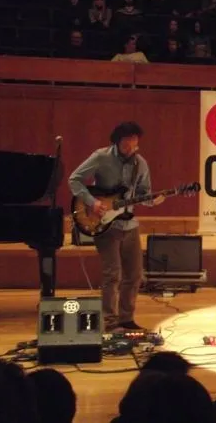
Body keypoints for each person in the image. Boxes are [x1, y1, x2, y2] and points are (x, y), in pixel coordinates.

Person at [69, 122, 164, 332]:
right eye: (126, 143)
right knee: (112, 274)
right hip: (105, 223)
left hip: (129, 224)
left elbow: (143, 194)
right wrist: (92, 202)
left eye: (134, 143)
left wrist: (153, 200)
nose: (130, 147)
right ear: (117, 141)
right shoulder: (101, 157)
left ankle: (126, 319)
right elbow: (74, 179)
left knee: (134, 274)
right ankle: (110, 322)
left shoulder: (141, 163)